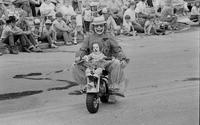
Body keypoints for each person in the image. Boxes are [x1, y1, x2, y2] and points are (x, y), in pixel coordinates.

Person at [72, 16, 129, 102]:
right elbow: (83, 49)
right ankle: (85, 84)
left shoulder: (109, 36)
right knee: (75, 65)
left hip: (106, 62)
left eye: (101, 26)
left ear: (104, 26)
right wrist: (79, 57)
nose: (99, 28)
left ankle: (112, 87)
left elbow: (117, 49)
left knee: (117, 63)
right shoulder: (89, 37)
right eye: (97, 26)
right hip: (92, 63)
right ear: (93, 27)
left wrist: (123, 58)